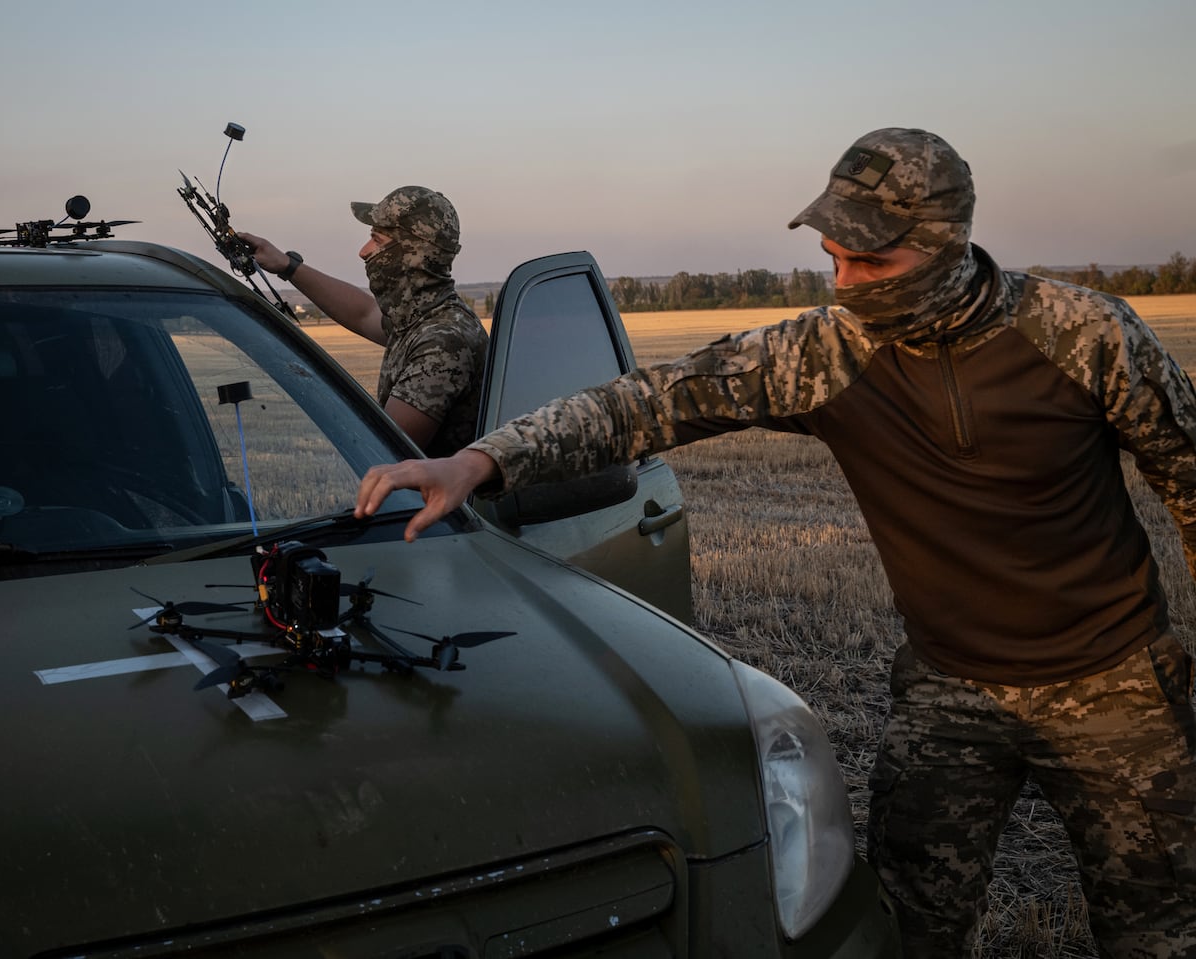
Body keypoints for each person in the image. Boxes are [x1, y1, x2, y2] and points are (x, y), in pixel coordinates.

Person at [354, 128, 1196, 957]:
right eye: (834, 258)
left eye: (871, 263)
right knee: (902, 929)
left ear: (944, 243)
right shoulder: (827, 355)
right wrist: (483, 459)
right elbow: (646, 403)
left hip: (1117, 687)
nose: (844, 283)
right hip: (951, 692)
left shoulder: (1089, 337)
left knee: (1158, 930)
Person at [237, 185, 488, 457]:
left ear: (412, 254)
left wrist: (304, 382)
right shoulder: (425, 317)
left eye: (377, 240)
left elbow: (384, 453)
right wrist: (287, 265)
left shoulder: (443, 342)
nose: (363, 251)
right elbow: (363, 312)